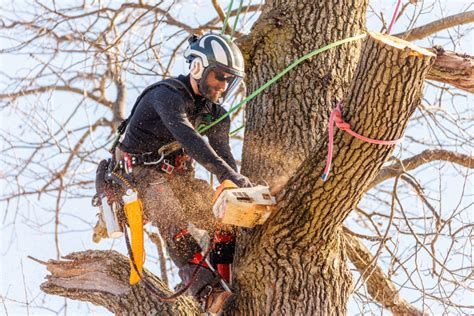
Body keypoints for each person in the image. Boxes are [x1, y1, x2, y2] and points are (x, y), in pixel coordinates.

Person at [115, 32, 251, 313]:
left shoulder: (216, 116)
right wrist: (231, 177)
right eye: (220, 77)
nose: (223, 87)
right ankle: (207, 292)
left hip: (179, 177)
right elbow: (191, 140)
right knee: (171, 215)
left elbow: (224, 158)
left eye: (229, 81)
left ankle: (226, 275)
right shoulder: (166, 96)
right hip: (141, 174)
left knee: (220, 216)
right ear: (198, 67)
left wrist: (236, 189)